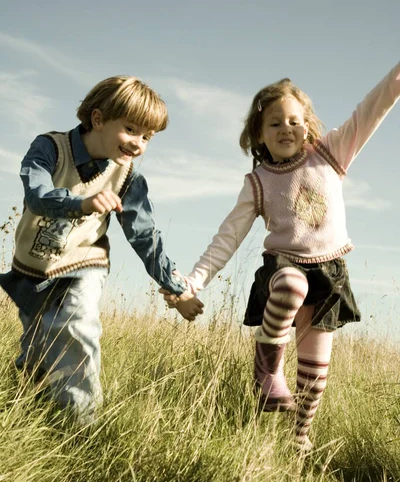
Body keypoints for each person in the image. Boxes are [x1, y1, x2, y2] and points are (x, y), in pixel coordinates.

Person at [161, 62, 400, 451]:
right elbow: (228, 237)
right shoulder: (258, 182)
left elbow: (373, 106)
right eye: (274, 123)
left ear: (308, 124)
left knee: (316, 369)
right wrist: (192, 280)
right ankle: (266, 368)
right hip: (284, 267)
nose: (286, 128)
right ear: (258, 133)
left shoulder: (331, 153)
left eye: (294, 120)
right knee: (291, 284)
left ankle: (300, 437)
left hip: (329, 274)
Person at [0, 75, 203, 425]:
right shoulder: (49, 148)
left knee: (78, 326)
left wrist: (177, 288)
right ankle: (29, 414)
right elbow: (35, 195)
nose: (138, 143)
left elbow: (146, 238)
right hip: (31, 269)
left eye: (147, 137)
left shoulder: (127, 180)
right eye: (131, 129)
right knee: (36, 356)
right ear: (98, 119)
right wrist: (81, 204)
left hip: (84, 263)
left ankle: (83, 429)